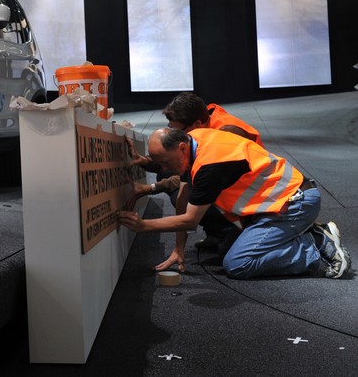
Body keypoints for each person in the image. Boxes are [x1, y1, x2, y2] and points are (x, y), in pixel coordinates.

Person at [119, 127, 351, 279]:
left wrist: (144, 226)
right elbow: (182, 198)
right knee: (227, 251)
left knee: (238, 263)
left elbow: (190, 219)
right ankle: (303, 236)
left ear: (180, 148)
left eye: (164, 162)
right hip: (274, 204)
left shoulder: (210, 165)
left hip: (293, 205)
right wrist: (178, 248)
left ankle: (315, 246)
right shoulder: (194, 139)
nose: (163, 169)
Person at [126, 92, 265, 258]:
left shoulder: (226, 135)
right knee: (176, 184)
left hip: (258, 201)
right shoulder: (200, 127)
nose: (173, 134)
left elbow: (193, 184)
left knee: (235, 260)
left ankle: (229, 231)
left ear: (197, 123)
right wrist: (146, 162)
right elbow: (179, 171)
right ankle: (220, 233)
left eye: (177, 130)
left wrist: (149, 195)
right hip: (234, 190)